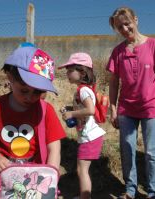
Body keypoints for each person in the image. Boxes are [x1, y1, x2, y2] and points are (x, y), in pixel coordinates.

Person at [0, 46, 66, 198]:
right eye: (24, 90)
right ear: (10, 77)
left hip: (34, 179)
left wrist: (52, 171)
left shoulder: (46, 110)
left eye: (38, 91)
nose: (30, 97)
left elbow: (54, 147)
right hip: (4, 178)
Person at [106, 7, 155, 199]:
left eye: (127, 24)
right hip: (126, 108)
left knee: (152, 152)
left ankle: (154, 192)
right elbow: (113, 81)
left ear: (136, 20)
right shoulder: (118, 51)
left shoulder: (154, 45)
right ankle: (130, 189)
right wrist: (113, 108)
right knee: (127, 149)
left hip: (151, 105)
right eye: (120, 27)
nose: (125, 29)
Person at [58, 52, 106, 199]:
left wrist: (72, 114)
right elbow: (85, 109)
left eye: (70, 70)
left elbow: (90, 110)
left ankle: (85, 197)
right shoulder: (84, 89)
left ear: (82, 72)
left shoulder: (83, 90)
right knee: (82, 169)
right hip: (90, 136)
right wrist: (70, 110)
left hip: (90, 137)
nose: (67, 73)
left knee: (82, 170)